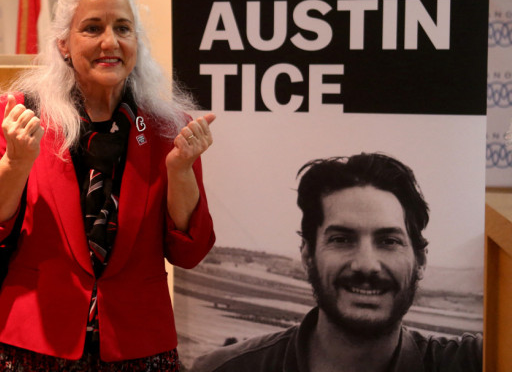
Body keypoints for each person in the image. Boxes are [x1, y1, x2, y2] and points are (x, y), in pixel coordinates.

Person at [0, 0, 217, 371]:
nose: (109, 42)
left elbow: (190, 252)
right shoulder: (19, 114)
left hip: (138, 345)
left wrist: (180, 174)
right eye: (92, 28)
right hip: (31, 343)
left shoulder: (169, 127)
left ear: (137, 42)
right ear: (63, 44)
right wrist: (15, 163)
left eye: (122, 28)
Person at [190, 152, 482, 372]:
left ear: (420, 261)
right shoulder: (223, 370)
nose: (366, 264)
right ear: (307, 255)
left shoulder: (474, 363)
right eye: (342, 239)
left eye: (389, 241)